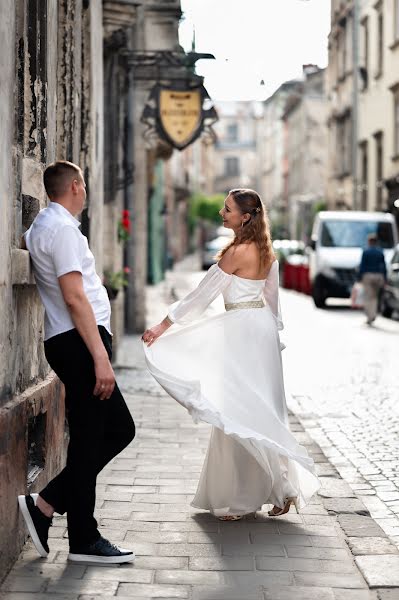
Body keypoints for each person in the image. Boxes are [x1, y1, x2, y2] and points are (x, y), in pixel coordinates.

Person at [142, 189, 319, 520]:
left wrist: (163, 326)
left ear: (245, 217)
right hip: (261, 331)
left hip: (240, 331)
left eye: (228, 209)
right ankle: (282, 490)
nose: (222, 214)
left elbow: (201, 296)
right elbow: (273, 305)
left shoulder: (237, 253)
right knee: (264, 408)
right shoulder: (268, 253)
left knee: (237, 409)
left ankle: (241, 499)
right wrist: (271, 339)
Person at [19, 161, 135, 564]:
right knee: (117, 430)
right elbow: (74, 297)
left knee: (96, 436)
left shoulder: (40, 228)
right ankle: (76, 532)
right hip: (80, 342)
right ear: (74, 185)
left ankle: (52, 509)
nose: (85, 192)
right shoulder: (64, 229)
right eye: (83, 184)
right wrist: (101, 357)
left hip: (68, 341)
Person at [358, 233, 387, 325]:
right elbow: (384, 266)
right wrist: (385, 278)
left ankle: (369, 315)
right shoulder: (380, 252)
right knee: (374, 296)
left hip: (368, 275)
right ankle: (373, 314)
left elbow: (362, 266)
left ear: (369, 242)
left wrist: (359, 277)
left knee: (368, 296)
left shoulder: (366, 252)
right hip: (378, 276)